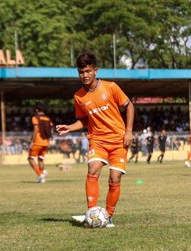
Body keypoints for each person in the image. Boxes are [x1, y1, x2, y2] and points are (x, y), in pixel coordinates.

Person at [56, 52, 134, 228]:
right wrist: (69, 127)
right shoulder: (78, 96)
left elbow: (129, 105)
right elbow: (83, 120)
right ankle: (92, 213)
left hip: (118, 140)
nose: (84, 75)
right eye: (81, 72)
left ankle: (109, 216)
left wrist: (128, 132)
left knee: (114, 179)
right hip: (97, 139)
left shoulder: (111, 87)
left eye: (88, 71)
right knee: (93, 169)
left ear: (95, 71)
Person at [28, 103, 53, 183]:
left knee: (30, 158)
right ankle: (42, 177)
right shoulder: (48, 119)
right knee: (40, 159)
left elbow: (36, 129)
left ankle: (40, 174)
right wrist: (50, 139)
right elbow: (51, 130)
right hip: (46, 142)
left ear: (36, 110)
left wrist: (32, 141)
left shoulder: (35, 118)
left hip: (37, 142)